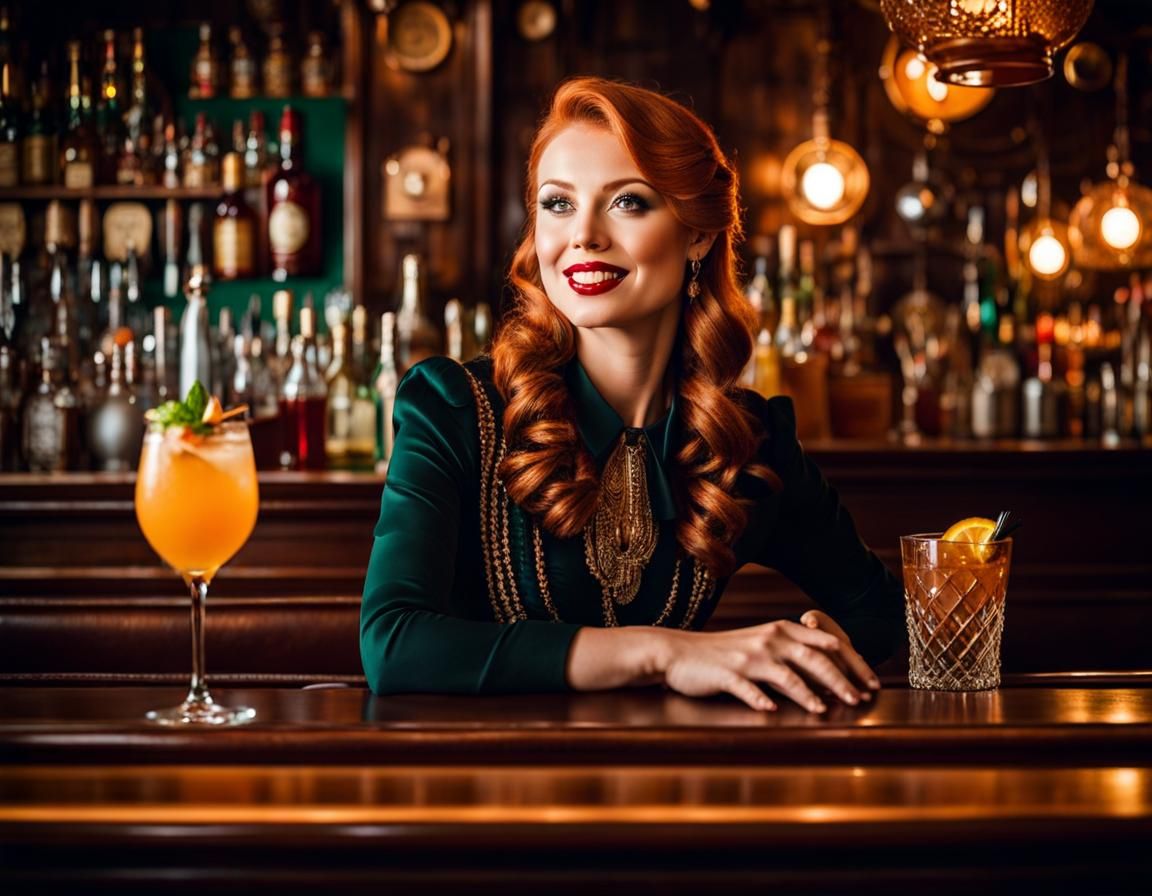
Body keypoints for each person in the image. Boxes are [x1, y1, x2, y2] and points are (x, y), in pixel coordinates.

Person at [360, 76, 903, 713]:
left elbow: (883, 618)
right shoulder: (452, 407)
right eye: (558, 204)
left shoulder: (747, 442)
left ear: (698, 233)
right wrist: (668, 652)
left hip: (676, 793)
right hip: (488, 791)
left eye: (628, 203)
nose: (584, 235)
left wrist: (816, 649)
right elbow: (392, 645)